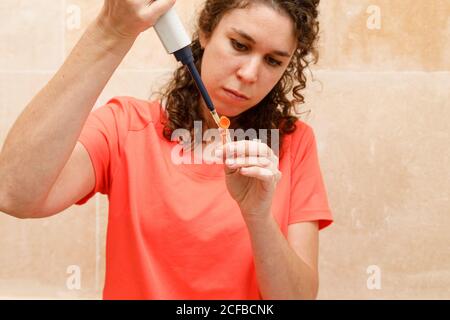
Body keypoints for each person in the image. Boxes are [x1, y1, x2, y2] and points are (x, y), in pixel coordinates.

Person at [0, 0, 333, 300]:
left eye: (274, 61)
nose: (249, 74)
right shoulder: (126, 126)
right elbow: (13, 193)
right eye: (239, 45)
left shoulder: (293, 144)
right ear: (205, 31)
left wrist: (259, 217)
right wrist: (110, 31)